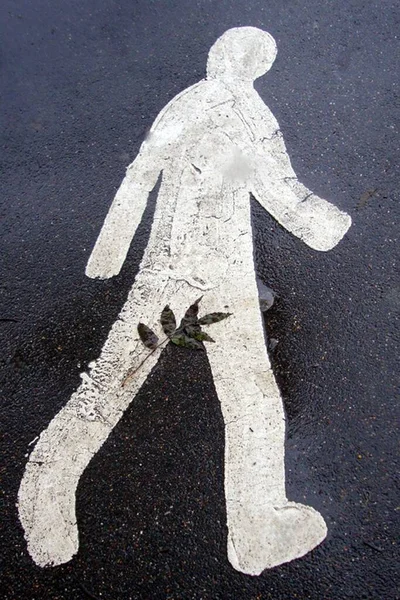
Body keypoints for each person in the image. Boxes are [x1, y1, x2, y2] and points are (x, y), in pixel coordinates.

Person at [19, 27, 351, 575]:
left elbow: (142, 171)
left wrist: (109, 249)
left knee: (108, 385)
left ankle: (47, 508)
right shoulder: (249, 113)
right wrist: (331, 227)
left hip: (165, 264)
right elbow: (282, 191)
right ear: (256, 66)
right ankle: (257, 530)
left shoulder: (186, 100)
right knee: (252, 398)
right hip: (219, 273)